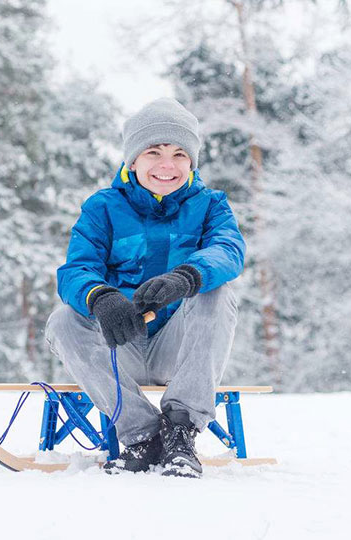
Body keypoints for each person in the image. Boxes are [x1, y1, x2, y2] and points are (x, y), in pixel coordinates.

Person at [44, 98, 245, 478]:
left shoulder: (211, 205)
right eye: (154, 152)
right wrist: (101, 297)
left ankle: (181, 430)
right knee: (63, 320)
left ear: (192, 162)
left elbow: (228, 250)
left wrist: (186, 276)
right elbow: (76, 269)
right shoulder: (102, 208)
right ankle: (143, 436)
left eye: (179, 153)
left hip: (180, 346)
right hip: (121, 348)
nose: (167, 165)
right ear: (132, 160)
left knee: (218, 292)